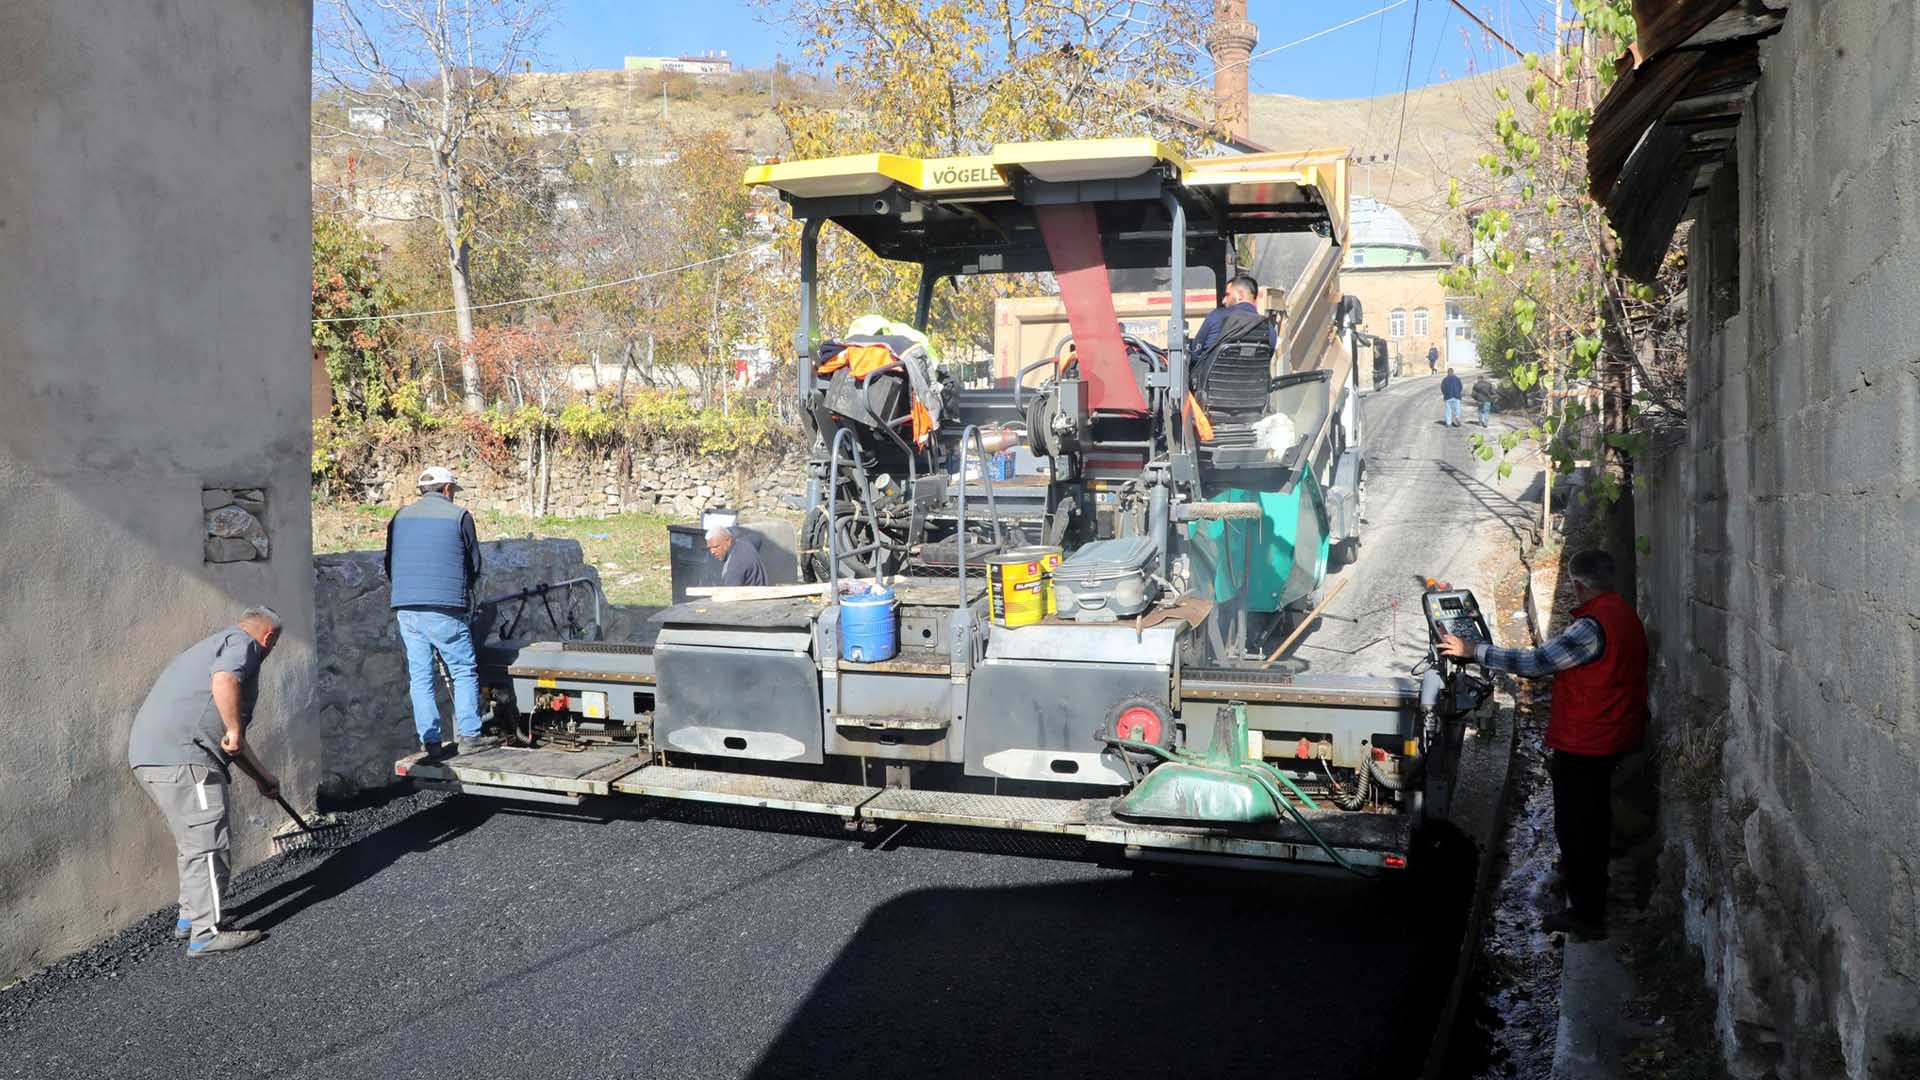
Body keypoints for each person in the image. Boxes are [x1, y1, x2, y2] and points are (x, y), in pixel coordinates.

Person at [1440, 550, 1648, 940]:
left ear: (1579, 585)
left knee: (1577, 827)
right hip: (1613, 734)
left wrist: (1474, 652)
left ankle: (1586, 914)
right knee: (1594, 822)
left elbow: (1537, 662)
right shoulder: (1624, 613)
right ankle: (1587, 895)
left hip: (1587, 741)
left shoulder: (1591, 627)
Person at [128, 607, 285, 956]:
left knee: (194, 841)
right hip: (185, 760)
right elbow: (226, 684)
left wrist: (262, 778)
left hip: (155, 758)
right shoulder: (242, 646)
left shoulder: (210, 647)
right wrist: (232, 728)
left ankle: (191, 918)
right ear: (269, 637)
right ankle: (206, 933)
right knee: (209, 842)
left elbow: (232, 742)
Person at [385, 465, 488, 758]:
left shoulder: (399, 517)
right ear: (446, 490)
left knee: (420, 676)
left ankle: (430, 741)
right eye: (453, 491)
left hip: (406, 607)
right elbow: (474, 565)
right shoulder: (460, 517)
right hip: (444, 608)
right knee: (463, 670)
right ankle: (470, 735)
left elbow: (389, 562)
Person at [1190, 273, 1277, 357]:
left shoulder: (1216, 316)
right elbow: (1268, 357)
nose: (1224, 301)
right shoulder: (1268, 327)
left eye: (1227, 295)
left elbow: (1195, 353)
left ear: (1241, 295)